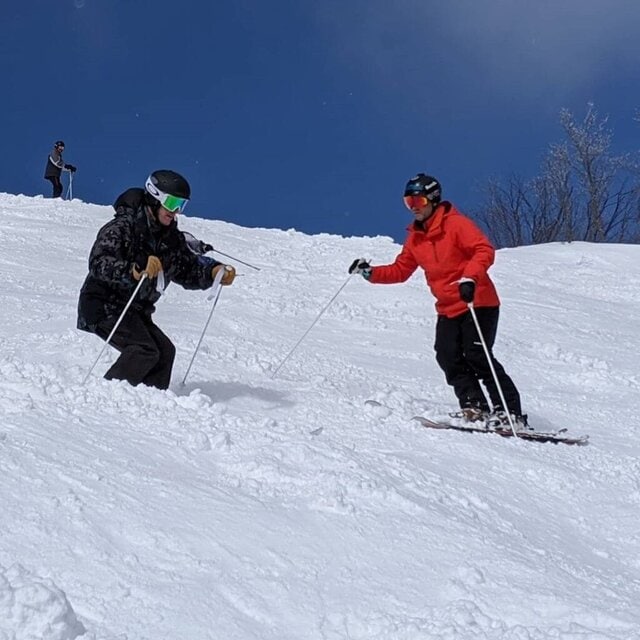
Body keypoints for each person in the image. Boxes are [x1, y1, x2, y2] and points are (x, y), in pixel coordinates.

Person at [349, 173, 528, 429]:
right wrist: (369, 273)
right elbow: (401, 270)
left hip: (477, 301)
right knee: (447, 355)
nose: (413, 207)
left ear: (433, 199)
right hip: (447, 308)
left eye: (418, 201)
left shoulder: (456, 224)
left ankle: (510, 413)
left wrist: (469, 277)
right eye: (408, 202)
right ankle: (475, 407)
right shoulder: (415, 238)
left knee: (477, 354)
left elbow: (483, 250)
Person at [77, 169, 236, 390]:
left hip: (134, 311)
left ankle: (149, 400)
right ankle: (106, 395)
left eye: (181, 205)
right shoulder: (124, 227)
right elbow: (98, 263)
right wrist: (133, 270)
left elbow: (187, 268)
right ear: (154, 198)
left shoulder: (171, 240)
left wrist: (213, 271)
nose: (175, 211)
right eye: (172, 203)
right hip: (103, 304)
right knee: (144, 350)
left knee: (165, 352)